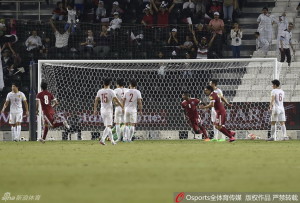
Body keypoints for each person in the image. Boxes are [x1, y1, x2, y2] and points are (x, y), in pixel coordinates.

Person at [93, 78, 123, 145]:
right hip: (109, 110)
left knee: (107, 126)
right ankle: (102, 139)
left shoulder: (99, 91)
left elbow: (96, 100)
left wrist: (95, 109)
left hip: (102, 110)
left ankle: (112, 141)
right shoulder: (111, 91)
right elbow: (117, 100)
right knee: (109, 126)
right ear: (109, 84)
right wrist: (122, 106)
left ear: (103, 84)